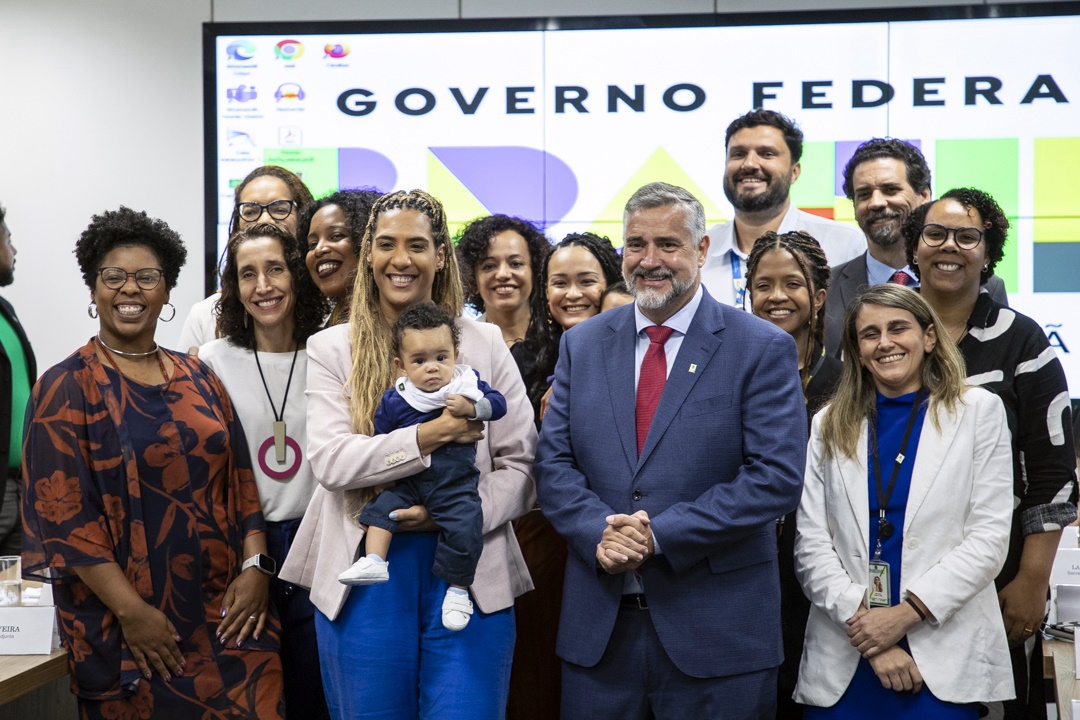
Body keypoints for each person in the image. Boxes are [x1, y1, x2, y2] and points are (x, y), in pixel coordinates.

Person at [535, 182, 807, 718]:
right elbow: (554, 465)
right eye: (636, 244)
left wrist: (659, 535)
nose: (650, 260)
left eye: (668, 244)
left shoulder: (760, 347)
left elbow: (774, 478)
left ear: (702, 250)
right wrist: (599, 533)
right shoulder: (582, 344)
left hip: (719, 640)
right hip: (600, 640)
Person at [277, 190, 537, 719]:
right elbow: (332, 461)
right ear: (368, 255)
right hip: (363, 567)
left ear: (440, 256)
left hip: (470, 565)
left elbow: (523, 468)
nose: (401, 259)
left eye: (417, 245)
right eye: (386, 244)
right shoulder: (331, 348)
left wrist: (448, 513)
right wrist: (431, 435)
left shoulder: (485, 342)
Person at [21, 207, 284, 718]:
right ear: (93, 289)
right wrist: (133, 613)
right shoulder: (64, 387)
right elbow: (67, 521)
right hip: (133, 631)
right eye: (113, 277)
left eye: (146, 277)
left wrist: (256, 568)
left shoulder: (199, 376)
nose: (130, 289)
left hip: (231, 615)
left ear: (166, 291)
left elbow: (240, 480)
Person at [795, 284, 1015, 716]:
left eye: (898, 328)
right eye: (870, 334)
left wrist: (904, 615)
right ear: (858, 351)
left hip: (940, 653)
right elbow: (810, 546)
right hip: (847, 651)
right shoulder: (828, 424)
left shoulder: (978, 412)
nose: (885, 343)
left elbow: (988, 541)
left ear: (929, 337)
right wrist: (872, 635)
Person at [903, 187, 1078, 718]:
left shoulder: (1021, 339)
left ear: (988, 252)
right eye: (935, 234)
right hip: (895, 568)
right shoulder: (886, 332)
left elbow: (1051, 474)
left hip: (994, 575)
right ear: (914, 247)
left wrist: (1032, 580)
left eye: (967, 236)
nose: (948, 246)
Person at [198, 222, 330, 720]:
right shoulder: (213, 360)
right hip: (244, 547)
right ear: (234, 287)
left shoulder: (328, 352)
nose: (263, 286)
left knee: (314, 692)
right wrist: (248, 558)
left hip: (319, 542)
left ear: (297, 274)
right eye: (247, 274)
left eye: (275, 269)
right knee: (252, 697)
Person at [339, 303, 507, 635]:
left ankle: (457, 591)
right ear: (400, 365)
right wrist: (384, 477)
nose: (432, 367)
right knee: (381, 511)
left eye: (441, 357)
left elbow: (499, 404)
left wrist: (473, 407)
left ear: (456, 355)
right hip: (409, 480)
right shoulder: (396, 398)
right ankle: (374, 561)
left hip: (455, 482)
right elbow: (381, 439)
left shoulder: (466, 384)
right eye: (419, 361)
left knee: (465, 526)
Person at [745, 229, 841, 719]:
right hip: (745, 559)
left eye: (792, 284)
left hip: (827, 563)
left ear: (818, 297)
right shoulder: (730, 372)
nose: (776, 296)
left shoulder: (845, 380)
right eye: (763, 285)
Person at [824, 139, 1007, 355]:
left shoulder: (986, 286)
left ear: (924, 196)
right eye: (864, 194)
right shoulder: (826, 288)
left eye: (890, 190)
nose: (876, 202)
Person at [700, 109, 864, 309]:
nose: (749, 164)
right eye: (738, 154)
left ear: (794, 171)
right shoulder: (697, 252)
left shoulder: (845, 245)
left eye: (767, 154)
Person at [178, 165, 315, 349]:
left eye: (279, 209)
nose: (265, 219)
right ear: (237, 224)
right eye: (250, 212)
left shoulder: (333, 309)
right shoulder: (206, 317)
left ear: (304, 217)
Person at [518, 232, 622, 423]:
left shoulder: (632, 350)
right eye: (560, 283)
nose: (573, 294)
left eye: (587, 281)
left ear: (610, 285)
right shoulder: (523, 359)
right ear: (547, 291)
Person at [456, 214, 550, 348]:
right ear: (472, 280)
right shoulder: (458, 344)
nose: (503, 274)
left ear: (535, 272)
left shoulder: (559, 340)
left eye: (516, 264)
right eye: (489, 266)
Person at [0, 204, 35, 557]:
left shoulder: (5, 310)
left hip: (19, 487)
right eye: (8, 239)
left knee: (18, 585)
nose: (14, 250)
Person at [297, 189, 383, 327]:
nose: (318, 249)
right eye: (312, 244)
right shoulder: (326, 331)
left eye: (336, 236)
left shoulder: (401, 322)